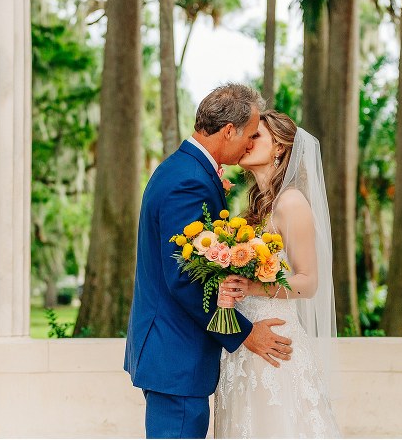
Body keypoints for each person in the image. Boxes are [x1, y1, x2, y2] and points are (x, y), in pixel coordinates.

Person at [124, 85, 295, 439]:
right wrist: (246, 334)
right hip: (176, 355)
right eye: (249, 135)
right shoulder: (188, 181)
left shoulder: (184, 169)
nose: (250, 144)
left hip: (174, 353)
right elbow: (185, 280)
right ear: (228, 131)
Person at [215, 110, 341, 438]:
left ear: (280, 147)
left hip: (275, 343)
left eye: (256, 135)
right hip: (244, 342)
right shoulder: (254, 209)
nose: (246, 140)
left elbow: (309, 281)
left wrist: (253, 287)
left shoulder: (292, 203)